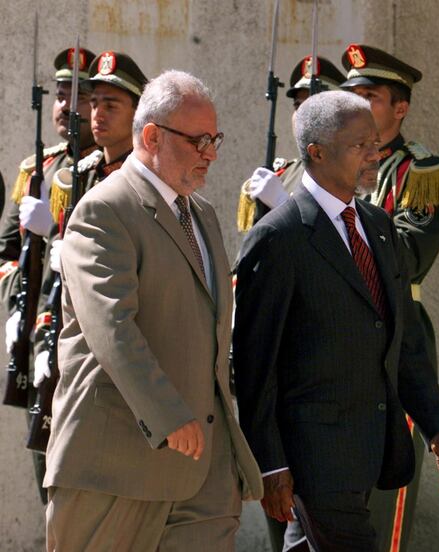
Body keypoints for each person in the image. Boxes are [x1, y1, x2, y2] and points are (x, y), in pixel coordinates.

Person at [233, 90, 439, 552]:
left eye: (375, 143)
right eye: (361, 145)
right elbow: (256, 364)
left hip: (370, 446)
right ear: (317, 152)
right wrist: (269, 463)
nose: (375, 155)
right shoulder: (279, 235)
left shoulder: (378, 227)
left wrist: (437, 425)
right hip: (313, 455)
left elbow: (404, 340)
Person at [44, 70, 263, 551]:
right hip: (118, 466)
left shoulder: (201, 213)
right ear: (151, 136)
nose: (211, 154)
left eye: (215, 139)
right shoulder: (104, 209)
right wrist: (168, 414)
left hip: (204, 469)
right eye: (199, 141)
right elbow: (112, 328)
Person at [340, 42, 439, 552]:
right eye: (350, 95)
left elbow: (404, 254)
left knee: (387, 503)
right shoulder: (326, 166)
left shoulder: (421, 174)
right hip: (334, 338)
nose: (357, 105)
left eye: (370, 96)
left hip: (395, 332)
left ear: (399, 107)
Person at [0, 46, 96, 505]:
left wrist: (57, 237)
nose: (65, 106)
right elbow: (5, 252)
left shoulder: (107, 169)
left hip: (82, 339)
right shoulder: (38, 169)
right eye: (59, 96)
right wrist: (15, 305)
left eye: (76, 97)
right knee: (46, 473)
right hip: (37, 339)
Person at [32, 50, 148, 397]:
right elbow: (53, 283)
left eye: (111, 105)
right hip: (70, 341)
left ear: (138, 113)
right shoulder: (78, 178)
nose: (96, 115)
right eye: (94, 103)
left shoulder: (146, 184)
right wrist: (42, 340)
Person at [237, 55, 346, 233]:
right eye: (298, 106)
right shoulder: (283, 175)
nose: (302, 115)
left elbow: (344, 245)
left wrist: (283, 204)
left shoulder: (354, 177)